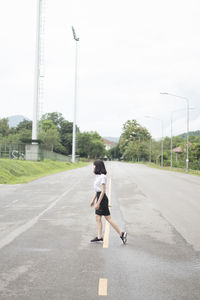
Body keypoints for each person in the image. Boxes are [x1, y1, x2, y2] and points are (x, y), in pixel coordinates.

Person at [90, 159, 127, 244]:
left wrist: (98, 203)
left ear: (98, 166)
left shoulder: (103, 176)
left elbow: (102, 191)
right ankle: (99, 237)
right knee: (98, 218)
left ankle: (121, 234)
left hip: (102, 199)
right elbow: (97, 190)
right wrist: (93, 200)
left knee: (108, 218)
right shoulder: (97, 176)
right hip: (99, 197)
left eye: (94, 165)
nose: (93, 167)